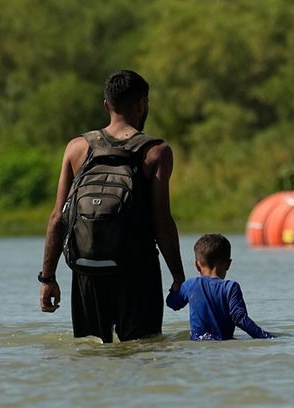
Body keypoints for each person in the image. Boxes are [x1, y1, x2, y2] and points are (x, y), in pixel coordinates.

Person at [38, 70, 185, 342]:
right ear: (143, 104)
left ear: (107, 105)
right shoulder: (156, 151)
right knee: (143, 350)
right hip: (136, 270)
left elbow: (57, 218)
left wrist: (47, 279)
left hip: (86, 269)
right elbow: (161, 220)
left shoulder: (76, 148)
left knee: (91, 351)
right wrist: (179, 277)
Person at [166, 233, 274, 341]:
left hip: (198, 348)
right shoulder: (230, 287)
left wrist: (175, 288)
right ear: (228, 264)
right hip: (224, 345)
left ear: (197, 265)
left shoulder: (190, 285)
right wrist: (266, 336)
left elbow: (172, 304)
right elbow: (239, 318)